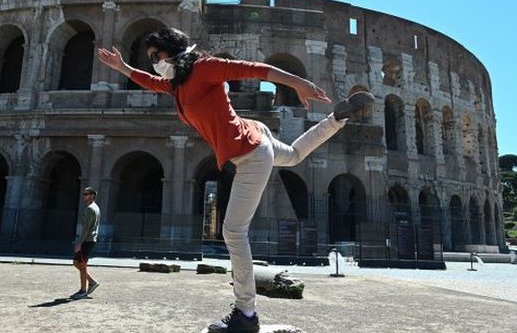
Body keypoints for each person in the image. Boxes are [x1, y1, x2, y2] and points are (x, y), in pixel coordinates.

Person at [97, 28, 374, 333]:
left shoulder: (204, 68)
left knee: (233, 231)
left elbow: (253, 69)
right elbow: (149, 82)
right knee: (294, 156)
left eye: (156, 56)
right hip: (255, 141)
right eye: (150, 58)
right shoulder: (177, 85)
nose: (154, 63)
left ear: (173, 50)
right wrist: (123, 68)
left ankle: (246, 313)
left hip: (251, 153)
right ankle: (336, 119)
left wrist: (299, 83)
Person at [70, 186, 101, 299]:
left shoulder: (90, 209)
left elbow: (86, 229)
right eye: (84, 194)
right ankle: (91, 282)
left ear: (92, 195)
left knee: (81, 265)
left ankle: (83, 290)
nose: (84, 196)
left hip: (87, 240)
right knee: (76, 263)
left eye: (86, 194)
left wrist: (79, 243)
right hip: (90, 239)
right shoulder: (95, 207)